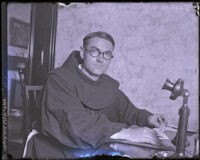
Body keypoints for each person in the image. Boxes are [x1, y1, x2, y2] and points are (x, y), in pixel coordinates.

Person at [24, 31, 167, 159]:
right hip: (58, 146)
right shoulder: (59, 79)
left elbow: (128, 111)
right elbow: (72, 123)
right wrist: (127, 133)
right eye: (94, 51)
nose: (100, 59)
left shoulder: (107, 84)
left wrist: (148, 118)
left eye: (107, 54)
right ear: (82, 52)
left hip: (94, 145)